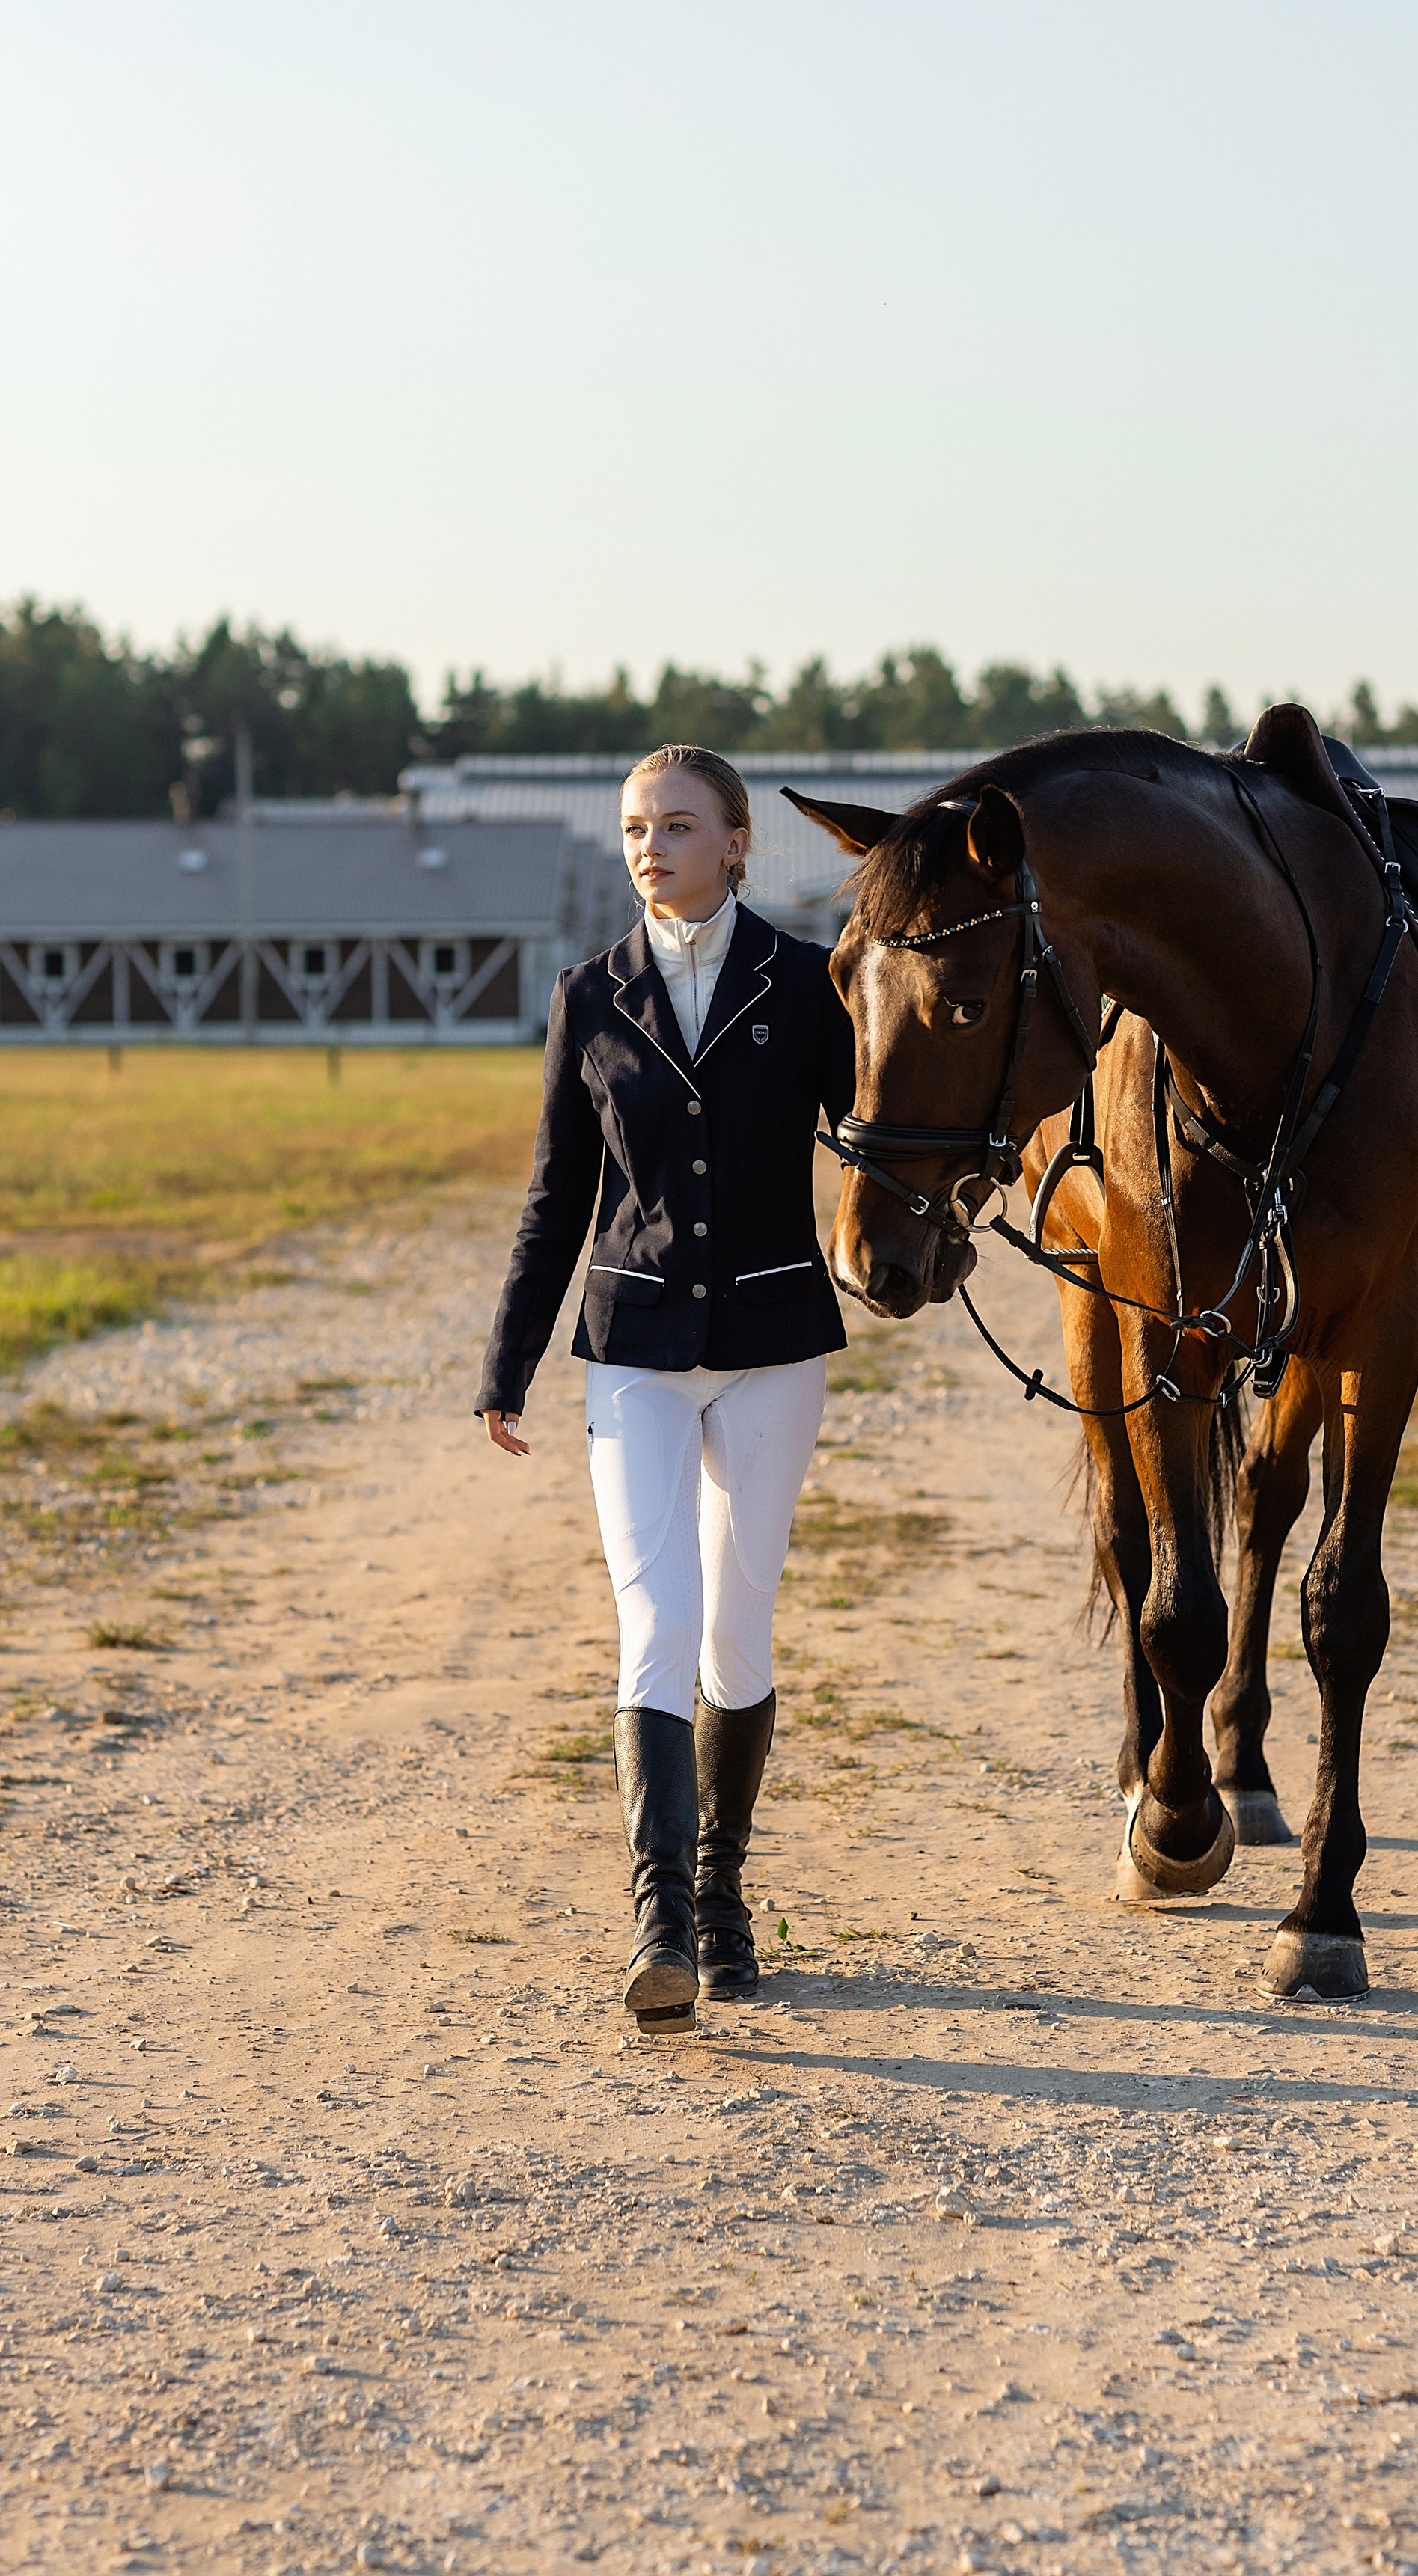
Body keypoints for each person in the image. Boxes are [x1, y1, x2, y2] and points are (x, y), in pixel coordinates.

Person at [477, 745, 855, 2036]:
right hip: (631, 1349)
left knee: (736, 1635)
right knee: (654, 1622)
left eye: (680, 827)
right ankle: (661, 1916)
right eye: (637, 828)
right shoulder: (588, 995)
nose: (653, 847)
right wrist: (507, 1362)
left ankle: (727, 1891)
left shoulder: (810, 987)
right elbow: (554, 1195)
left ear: (739, 845)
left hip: (772, 1345)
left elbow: (872, 1138)